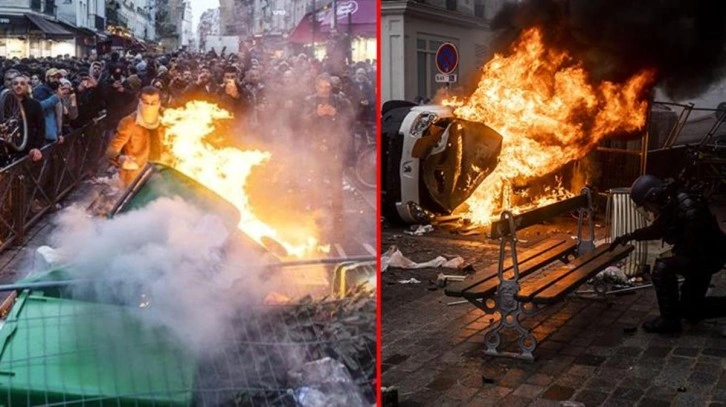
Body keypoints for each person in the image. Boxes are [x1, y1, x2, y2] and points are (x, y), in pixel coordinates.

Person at [609, 175, 726, 333]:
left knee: (663, 267)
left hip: (706, 257)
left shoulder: (687, 207)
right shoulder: (673, 204)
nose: (648, 210)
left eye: (647, 205)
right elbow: (658, 229)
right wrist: (629, 236)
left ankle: (669, 321)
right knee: (690, 310)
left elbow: (696, 247)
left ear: (653, 196)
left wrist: (676, 259)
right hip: (703, 257)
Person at [106, 86, 166, 186]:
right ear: (140, 101)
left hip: (161, 175)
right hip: (136, 179)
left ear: (159, 102)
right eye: (146, 102)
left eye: (153, 103)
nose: (149, 106)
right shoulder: (129, 122)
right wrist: (121, 159)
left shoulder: (166, 120)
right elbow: (110, 151)